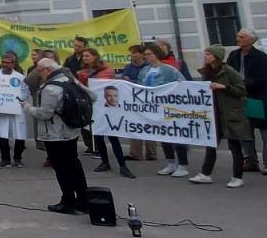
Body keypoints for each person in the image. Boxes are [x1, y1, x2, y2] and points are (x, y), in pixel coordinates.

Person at [22, 58, 89, 214]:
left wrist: (27, 107)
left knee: (61, 168)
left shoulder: (50, 88)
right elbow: (91, 96)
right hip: (71, 131)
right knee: (74, 165)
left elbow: (44, 113)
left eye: (38, 71)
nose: (38, 74)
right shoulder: (70, 80)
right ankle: (83, 200)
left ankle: (68, 201)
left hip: (54, 134)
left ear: (47, 70)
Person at [191, 46, 251, 188]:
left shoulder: (229, 71)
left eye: (208, 54)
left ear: (216, 56)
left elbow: (242, 90)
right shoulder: (207, 71)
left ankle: (237, 177)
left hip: (230, 113)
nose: (205, 56)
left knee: (234, 145)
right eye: (205, 53)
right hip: (213, 113)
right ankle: (205, 173)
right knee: (211, 143)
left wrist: (224, 87)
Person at [227, 29, 267, 176]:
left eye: (242, 37)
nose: (238, 39)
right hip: (239, 98)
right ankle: (250, 160)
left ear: (251, 40)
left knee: (266, 131)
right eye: (238, 36)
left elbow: (262, 78)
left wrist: (242, 85)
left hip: (257, 98)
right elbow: (228, 72)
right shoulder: (234, 55)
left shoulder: (260, 57)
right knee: (245, 131)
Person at [140, 43, 190, 178]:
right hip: (155, 108)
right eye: (145, 55)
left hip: (171, 107)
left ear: (157, 54)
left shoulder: (169, 70)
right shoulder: (144, 71)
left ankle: (183, 165)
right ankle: (170, 163)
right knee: (164, 136)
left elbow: (183, 84)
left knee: (177, 135)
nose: (147, 57)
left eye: (149, 54)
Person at [78, 48, 130, 178]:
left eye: (88, 56)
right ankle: (104, 162)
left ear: (95, 57)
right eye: (84, 56)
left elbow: (115, 87)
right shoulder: (83, 72)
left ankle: (122, 165)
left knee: (113, 137)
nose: (85, 58)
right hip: (94, 108)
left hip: (108, 108)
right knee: (99, 137)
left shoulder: (107, 70)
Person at [0, 52, 29, 169]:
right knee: (2, 134)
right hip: (0, 110)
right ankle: (5, 159)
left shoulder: (20, 78)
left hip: (16, 109)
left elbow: (25, 93)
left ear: (13, 64)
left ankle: (18, 158)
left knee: (19, 134)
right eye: (3, 62)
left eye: (7, 63)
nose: (4, 65)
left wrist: (16, 101)